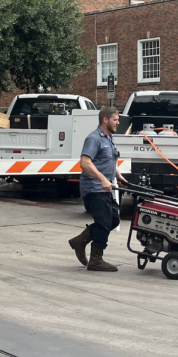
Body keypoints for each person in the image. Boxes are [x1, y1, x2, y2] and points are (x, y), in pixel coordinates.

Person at [69, 106, 125, 272]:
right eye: (115, 119)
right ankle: (96, 259)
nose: (118, 122)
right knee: (104, 221)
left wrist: (118, 174)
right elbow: (85, 163)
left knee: (114, 219)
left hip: (104, 188)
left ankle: (80, 241)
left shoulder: (109, 138)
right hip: (93, 188)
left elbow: (106, 161)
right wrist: (102, 179)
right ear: (105, 120)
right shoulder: (94, 138)